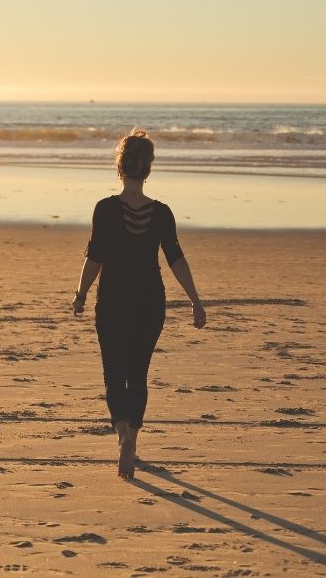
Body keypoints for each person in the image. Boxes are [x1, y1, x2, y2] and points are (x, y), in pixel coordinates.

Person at [72, 128, 206, 479]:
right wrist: (195, 300)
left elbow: (95, 257)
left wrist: (81, 293)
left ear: (120, 167)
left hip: (112, 301)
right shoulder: (162, 213)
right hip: (150, 303)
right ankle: (134, 436)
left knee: (114, 375)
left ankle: (122, 437)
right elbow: (176, 259)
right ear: (148, 169)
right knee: (139, 373)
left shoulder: (104, 209)